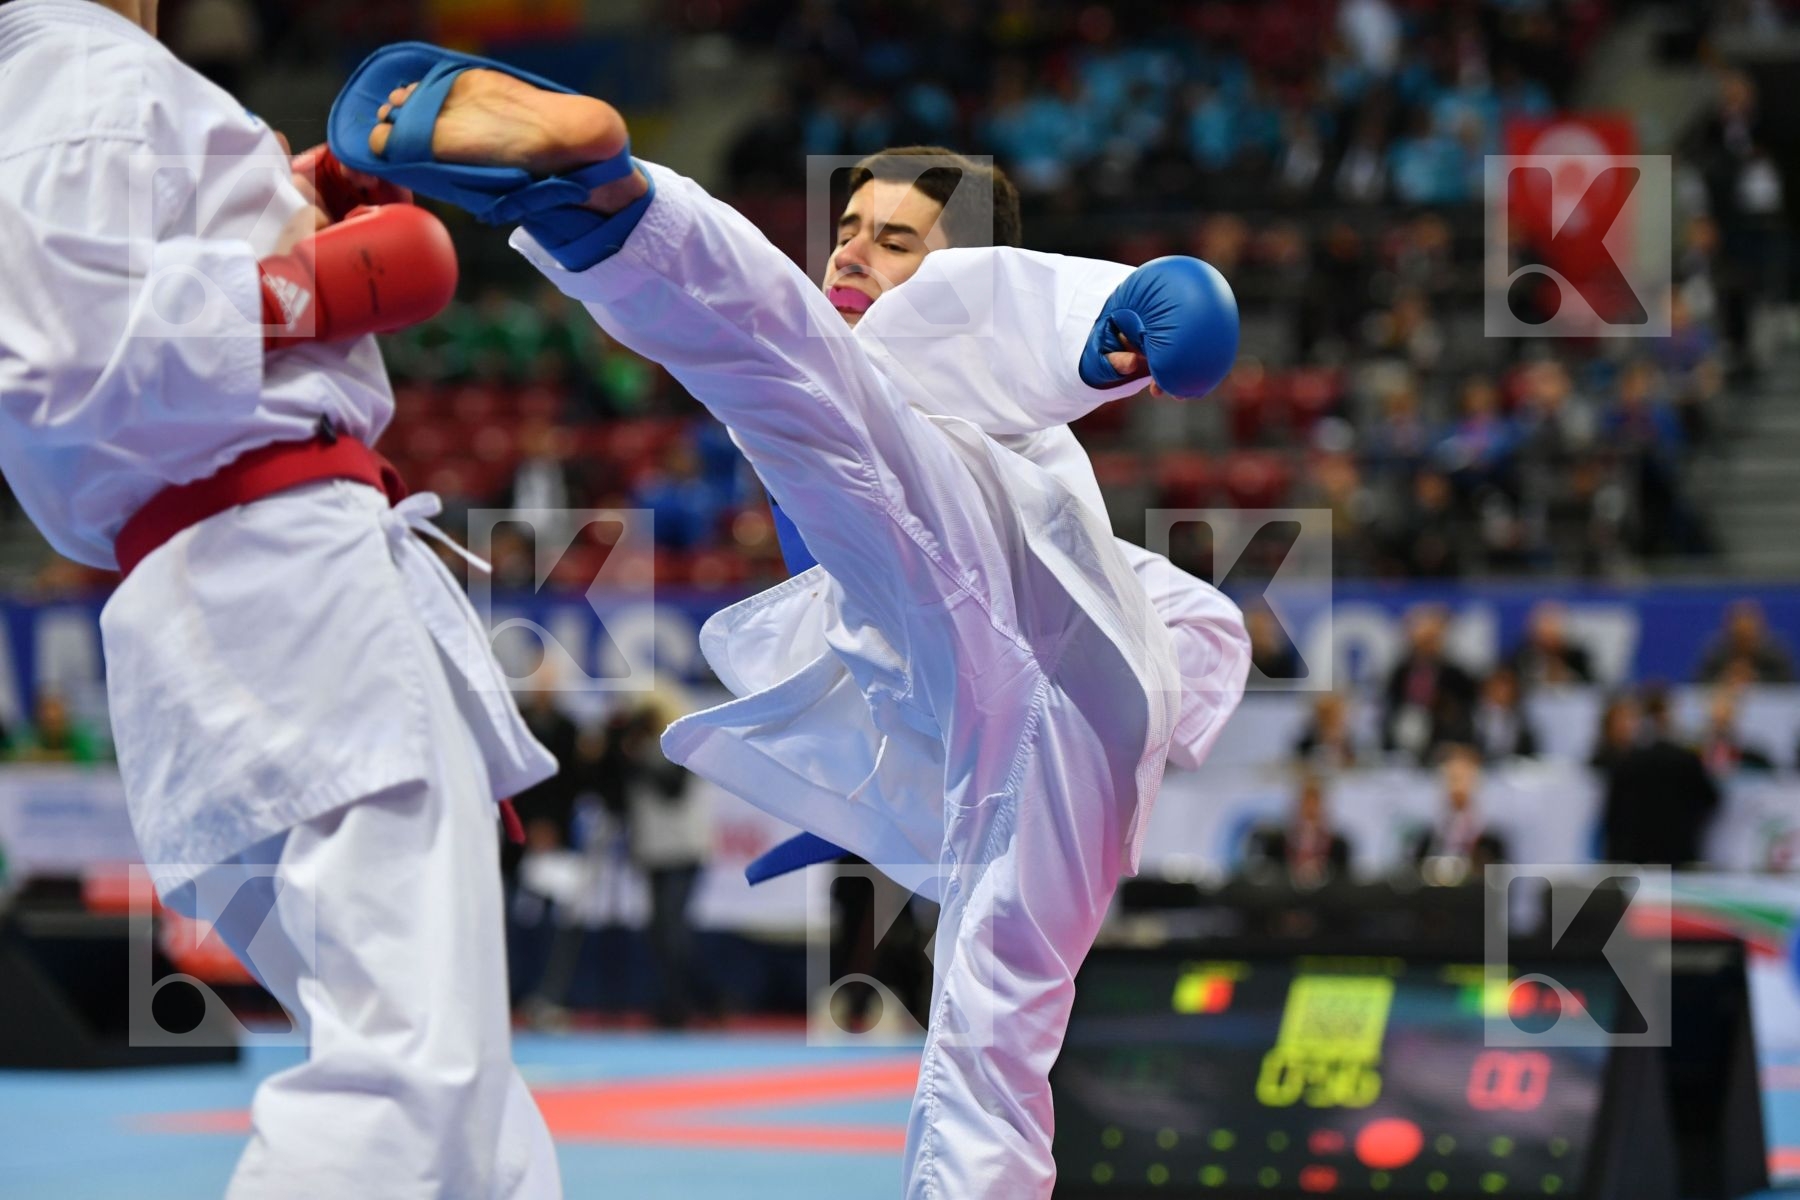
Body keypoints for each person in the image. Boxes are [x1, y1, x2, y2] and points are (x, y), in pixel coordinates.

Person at [339, 45, 1250, 1197]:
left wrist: (1113, 319)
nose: (854, 248)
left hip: (1037, 670)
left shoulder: (963, 370)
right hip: (1027, 720)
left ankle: (598, 207)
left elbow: (1001, 332)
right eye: (850, 226)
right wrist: (885, 787)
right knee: (993, 1035)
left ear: (971, 268)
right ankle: (595, 209)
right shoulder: (929, 438)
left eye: (897, 237)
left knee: (792, 367)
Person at [0, 6, 560, 1196]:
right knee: (409, 1072)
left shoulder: (80, 82)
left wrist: (290, 192)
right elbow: (50, 360)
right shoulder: (82, 61)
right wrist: (307, 289)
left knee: (460, 1092)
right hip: (276, 568)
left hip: (238, 576)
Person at [1602, 686, 1721, 867]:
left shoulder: (1625, 760)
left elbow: (1612, 812)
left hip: (1632, 854)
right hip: (1677, 854)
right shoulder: (1686, 759)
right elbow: (1710, 799)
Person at [1380, 604, 1477, 763]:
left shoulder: (1455, 676)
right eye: (1423, 640)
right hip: (1402, 746)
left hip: (1441, 747)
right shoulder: (1401, 672)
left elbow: (1464, 715)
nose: (1428, 645)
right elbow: (1389, 710)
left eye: (1432, 639)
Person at [1408, 744, 1508, 884]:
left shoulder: (1489, 839)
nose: (1457, 786)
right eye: (1451, 778)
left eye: (1463, 778)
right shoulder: (1428, 837)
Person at [1244, 771, 1353, 888]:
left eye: (1315, 803)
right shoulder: (1275, 841)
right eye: (1306, 802)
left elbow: (1343, 884)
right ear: (1296, 805)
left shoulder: (1338, 845)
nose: (1310, 809)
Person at [1697, 598, 1796, 683]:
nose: (1744, 641)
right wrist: (1724, 678)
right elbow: (1697, 682)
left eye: (1749, 636)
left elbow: (1788, 682)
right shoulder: (1717, 653)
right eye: (1739, 636)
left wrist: (1756, 677)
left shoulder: (1774, 653)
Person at [1507, 601, 1594, 685]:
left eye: (1553, 636)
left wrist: (1567, 676)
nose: (1548, 643)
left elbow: (1589, 685)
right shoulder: (1522, 657)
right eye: (1544, 636)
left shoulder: (1578, 659)